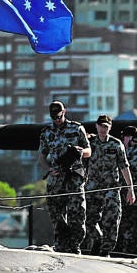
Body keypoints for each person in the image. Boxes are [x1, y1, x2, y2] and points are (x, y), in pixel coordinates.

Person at [38, 101, 92, 254]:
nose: (57, 120)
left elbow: (89, 150)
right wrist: (49, 169)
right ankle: (61, 244)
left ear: (64, 112)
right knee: (56, 214)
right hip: (56, 179)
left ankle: (75, 246)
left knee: (77, 214)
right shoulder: (46, 132)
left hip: (74, 177)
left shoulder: (76, 128)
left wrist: (79, 151)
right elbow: (41, 156)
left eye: (59, 116)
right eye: (54, 117)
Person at [82, 114, 135, 256]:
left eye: (105, 127)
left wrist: (130, 189)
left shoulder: (116, 144)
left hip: (110, 188)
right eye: (100, 126)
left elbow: (124, 167)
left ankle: (106, 249)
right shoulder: (90, 143)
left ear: (110, 128)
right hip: (92, 187)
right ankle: (97, 239)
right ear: (96, 126)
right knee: (87, 218)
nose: (102, 129)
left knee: (112, 219)